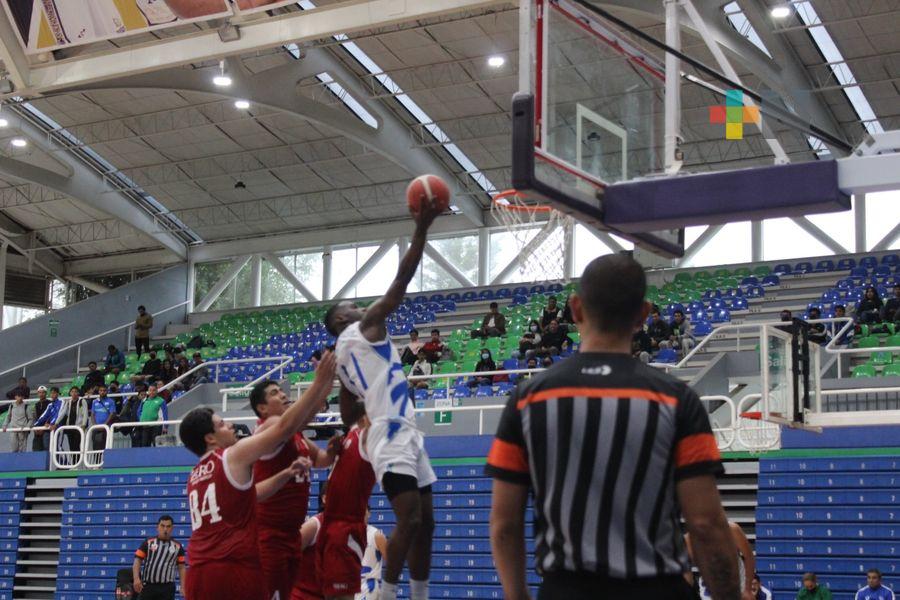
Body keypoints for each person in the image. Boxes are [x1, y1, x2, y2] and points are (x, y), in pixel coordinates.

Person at [486, 254, 741, 600]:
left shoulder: (528, 400)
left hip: (566, 590)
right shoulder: (676, 400)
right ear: (643, 314)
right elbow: (707, 524)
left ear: (575, 309)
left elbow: (504, 524)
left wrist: (517, 596)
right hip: (657, 589)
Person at [324, 196, 442, 600]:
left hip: (397, 429)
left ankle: (419, 594)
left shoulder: (342, 359)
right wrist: (422, 227)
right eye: (352, 306)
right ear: (342, 320)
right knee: (409, 519)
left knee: (426, 522)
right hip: (391, 432)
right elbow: (401, 282)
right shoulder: (364, 328)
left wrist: (351, 431)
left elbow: (347, 408)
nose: (361, 307)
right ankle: (387, 595)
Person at [178, 351, 335, 600]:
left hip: (198, 568)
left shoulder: (195, 475)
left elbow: (251, 495)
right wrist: (319, 384)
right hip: (232, 567)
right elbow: (285, 427)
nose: (230, 426)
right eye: (222, 424)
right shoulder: (233, 455)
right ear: (210, 438)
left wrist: (285, 474)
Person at [251, 379, 340, 600]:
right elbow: (291, 423)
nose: (282, 394)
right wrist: (320, 388)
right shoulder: (270, 425)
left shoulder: (294, 433)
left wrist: (332, 450)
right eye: (274, 393)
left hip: (290, 533)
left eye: (282, 390)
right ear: (262, 408)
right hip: (269, 535)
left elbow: (320, 459)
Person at [317, 402, 377, 600]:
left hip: (345, 528)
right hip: (333, 526)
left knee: (341, 596)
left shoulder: (369, 435)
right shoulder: (351, 433)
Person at [686, 521, 755, 599]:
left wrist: (748, 589)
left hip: (737, 583)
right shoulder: (690, 538)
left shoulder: (732, 530)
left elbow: (749, 556)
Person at [132, 515, 186, 600]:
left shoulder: (178, 546)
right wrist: (136, 578)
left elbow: (182, 568)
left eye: (168, 526)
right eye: (162, 526)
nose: (165, 529)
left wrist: (183, 586)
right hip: (148, 586)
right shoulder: (148, 543)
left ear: (172, 528)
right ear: (157, 527)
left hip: (167, 588)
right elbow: (137, 560)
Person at [358, 512, 388, 600]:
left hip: (368, 585)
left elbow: (391, 562)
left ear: (369, 513)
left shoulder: (377, 535)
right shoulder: (347, 535)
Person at [34, 387, 66, 452]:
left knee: (58, 448)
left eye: (54, 393)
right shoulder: (50, 405)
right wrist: (35, 425)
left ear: (57, 394)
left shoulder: (62, 402)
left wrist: (55, 424)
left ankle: (64, 462)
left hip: (58, 428)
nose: (52, 395)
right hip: (51, 428)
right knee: (49, 448)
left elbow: (60, 414)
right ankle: (51, 462)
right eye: (51, 393)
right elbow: (44, 416)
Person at [61, 386, 89, 459]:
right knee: (71, 447)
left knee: (76, 446)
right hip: (70, 427)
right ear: (70, 393)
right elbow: (63, 413)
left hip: (78, 428)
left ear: (78, 393)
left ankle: (77, 464)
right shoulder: (68, 402)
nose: (74, 393)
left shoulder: (82, 401)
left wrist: (83, 425)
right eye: (72, 391)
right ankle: (74, 464)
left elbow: (85, 413)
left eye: (75, 391)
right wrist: (56, 423)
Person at [89, 385, 117, 451]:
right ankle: (96, 461)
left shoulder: (111, 401)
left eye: (104, 391)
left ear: (107, 392)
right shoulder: (94, 401)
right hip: (96, 427)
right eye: (101, 390)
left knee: (104, 446)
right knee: (95, 446)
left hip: (106, 428)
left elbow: (111, 414)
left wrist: (104, 424)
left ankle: (104, 461)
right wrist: (94, 425)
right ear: (98, 391)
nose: (102, 392)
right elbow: (92, 414)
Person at [31, 386, 51, 451]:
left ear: (46, 393)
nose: (41, 394)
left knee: (46, 448)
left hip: (47, 430)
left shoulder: (50, 403)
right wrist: (35, 428)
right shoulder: (36, 404)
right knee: (36, 449)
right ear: (38, 394)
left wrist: (44, 428)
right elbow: (34, 417)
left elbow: (50, 416)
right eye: (40, 393)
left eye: (43, 393)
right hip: (37, 430)